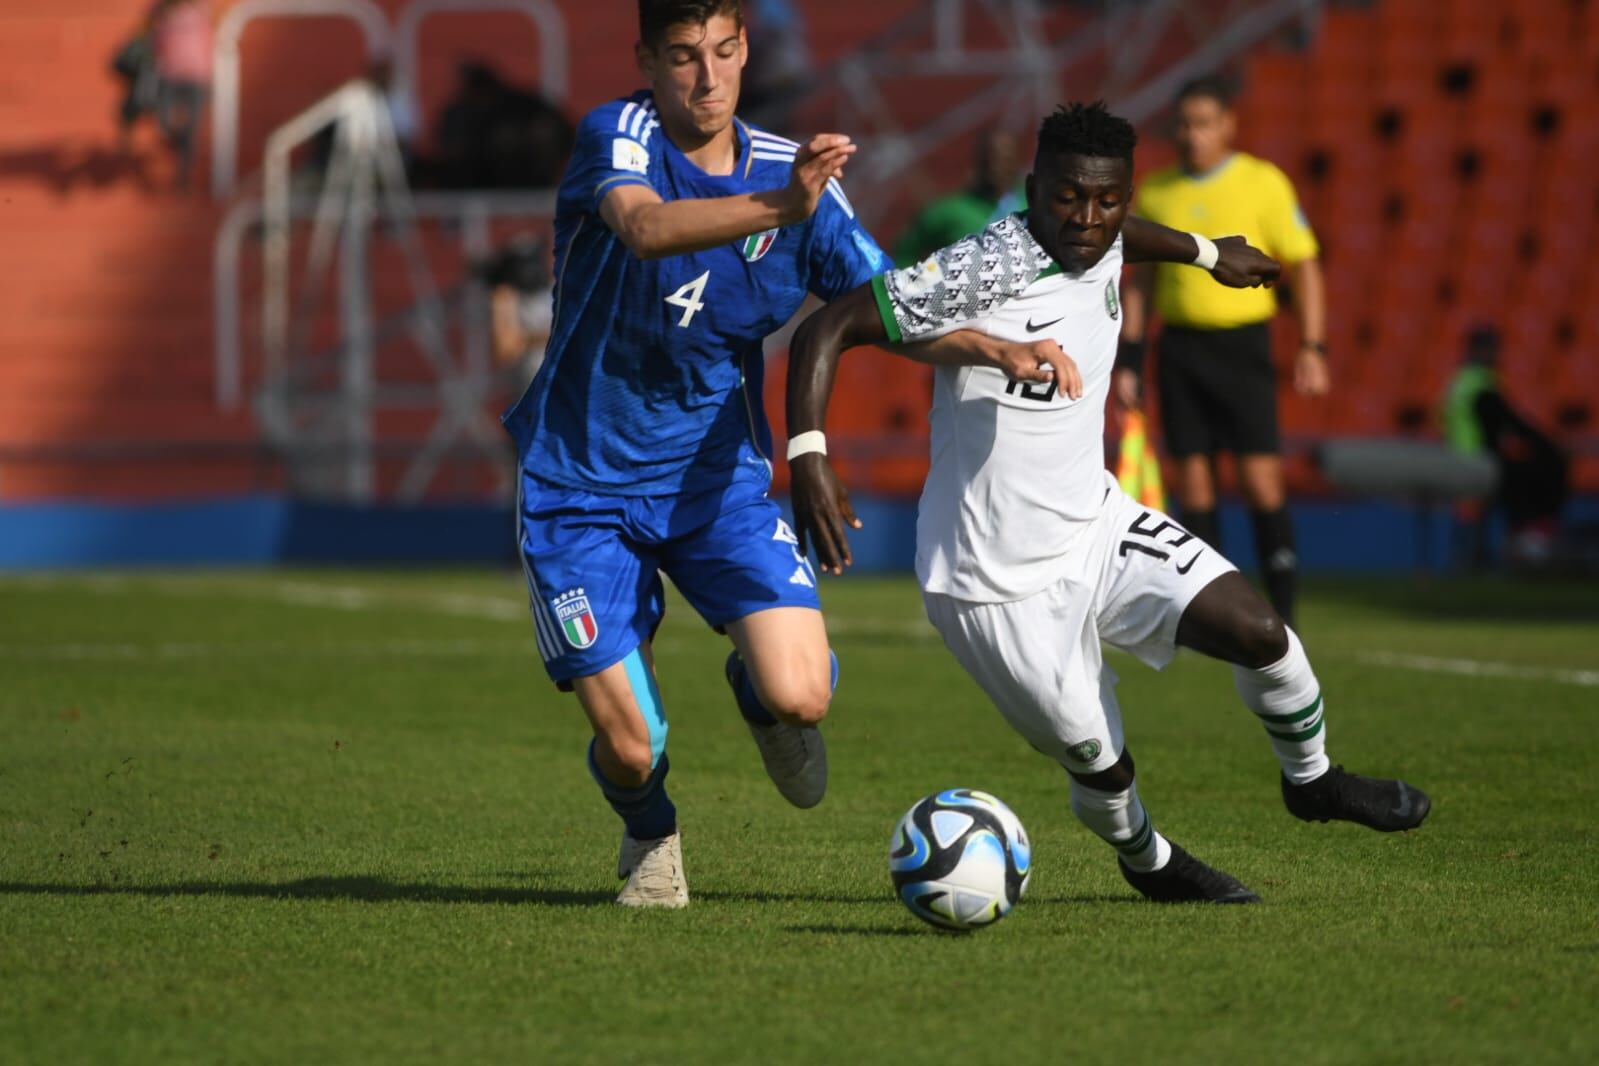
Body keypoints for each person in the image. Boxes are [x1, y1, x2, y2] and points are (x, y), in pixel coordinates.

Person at [504, 0, 1076, 909]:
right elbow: (645, 229)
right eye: (684, 56)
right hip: (578, 483)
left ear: (745, 52)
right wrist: (784, 205)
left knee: (801, 692)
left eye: (724, 52)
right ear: (648, 59)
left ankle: (756, 690)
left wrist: (995, 348)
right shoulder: (618, 135)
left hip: (712, 480)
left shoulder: (793, 174)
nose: (706, 76)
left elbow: (883, 305)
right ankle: (651, 834)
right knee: (631, 746)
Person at [785, 101, 1430, 904]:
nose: (1086, 219)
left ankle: (1313, 780)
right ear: (1033, 188)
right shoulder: (986, 266)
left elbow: (1128, 237)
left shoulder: (1108, 230)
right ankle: (1145, 857)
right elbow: (829, 329)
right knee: (1099, 760)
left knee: (1263, 633)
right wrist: (809, 455)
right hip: (989, 579)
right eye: (1066, 198)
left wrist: (1204, 253)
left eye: (1106, 199)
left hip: (1095, 523)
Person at [1118, 75, 1328, 627]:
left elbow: (1304, 263)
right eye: (1184, 124)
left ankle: (1282, 613)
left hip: (1243, 348)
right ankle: (1210, 613)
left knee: (1261, 479)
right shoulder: (1158, 191)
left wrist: (1312, 343)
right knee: (1194, 484)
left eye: (1204, 123)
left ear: (1228, 125)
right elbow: (1139, 285)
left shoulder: (1263, 183)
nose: (1193, 135)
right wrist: (1132, 360)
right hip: (1181, 350)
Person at [1444, 325, 1570, 565]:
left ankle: (1492, 550)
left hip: (1459, 460)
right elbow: (1508, 422)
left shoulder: (1459, 383)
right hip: (1478, 462)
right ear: (1479, 351)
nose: (1496, 355)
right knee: (1544, 471)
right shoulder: (1481, 385)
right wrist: (1546, 443)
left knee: (1479, 513)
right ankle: (1530, 535)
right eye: (1491, 349)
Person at [893, 129, 1022, 266]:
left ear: (1016, 163)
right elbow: (905, 254)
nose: (997, 167)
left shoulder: (1029, 206)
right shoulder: (947, 211)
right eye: (991, 160)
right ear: (979, 162)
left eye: (1005, 159)